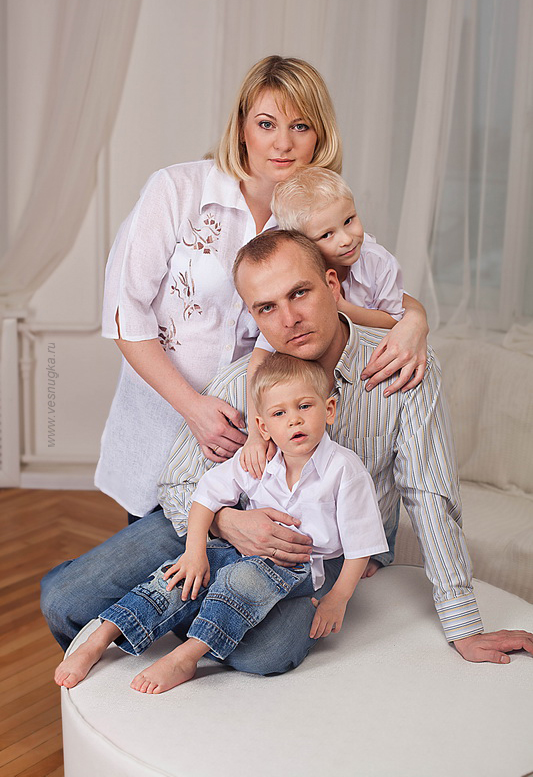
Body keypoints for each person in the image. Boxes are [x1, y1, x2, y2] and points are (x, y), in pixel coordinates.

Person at [41, 229, 533, 668]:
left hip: (318, 546)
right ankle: (180, 611)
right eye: (266, 308)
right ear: (253, 315)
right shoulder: (243, 379)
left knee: (268, 651)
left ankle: (165, 615)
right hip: (217, 519)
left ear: (332, 286)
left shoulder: (400, 365)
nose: (290, 319)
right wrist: (227, 523)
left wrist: (464, 625)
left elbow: (429, 495)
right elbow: (179, 482)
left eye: (300, 293)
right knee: (64, 601)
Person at [94, 54, 429, 520]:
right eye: (266, 124)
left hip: (257, 444)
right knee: (150, 557)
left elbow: (375, 282)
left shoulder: (318, 216)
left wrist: (415, 321)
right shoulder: (176, 190)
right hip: (162, 424)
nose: (283, 143)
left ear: (320, 136)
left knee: (234, 558)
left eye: (300, 126)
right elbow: (124, 313)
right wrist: (193, 408)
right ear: (241, 127)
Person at [54, 354, 388, 693]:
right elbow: (205, 497)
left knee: (243, 581)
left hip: (298, 566)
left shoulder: (344, 470)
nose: (294, 420)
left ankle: (187, 655)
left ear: (329, 409)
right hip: (238, 549)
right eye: (279, 413)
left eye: (304, 406)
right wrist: (194, 552)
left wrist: (338, 598)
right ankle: (102, 637)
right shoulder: (257, 459)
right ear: (263, 427)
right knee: (178, 576)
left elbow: (360, 544)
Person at [240, 166, 408, 479]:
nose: (346, 240)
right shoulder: (287, 292)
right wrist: (255, 433)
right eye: (327, 235)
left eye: (349, 220)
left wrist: (340, 307)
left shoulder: (378, 262)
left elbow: (392, 320)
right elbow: (257, 362)